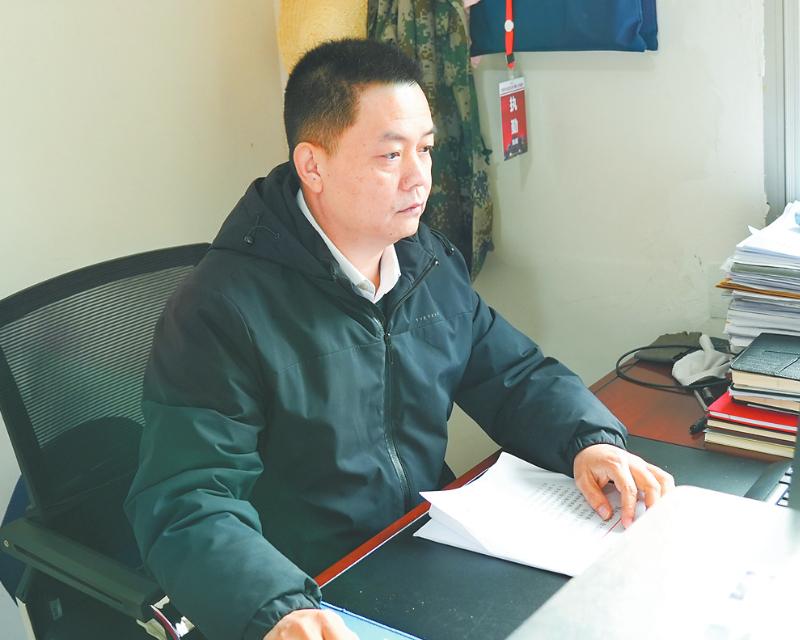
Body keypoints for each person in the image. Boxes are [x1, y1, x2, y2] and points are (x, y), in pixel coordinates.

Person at [125, 38, 674, 640]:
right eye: (391, 155)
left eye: (426, 149)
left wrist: (586, 441)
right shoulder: (221, 309)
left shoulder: (423, 261)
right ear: (313, 166)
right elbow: (188, 502)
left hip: (422, 548)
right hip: (312, 590)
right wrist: (277, 610)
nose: (420, 178)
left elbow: (511, 374)